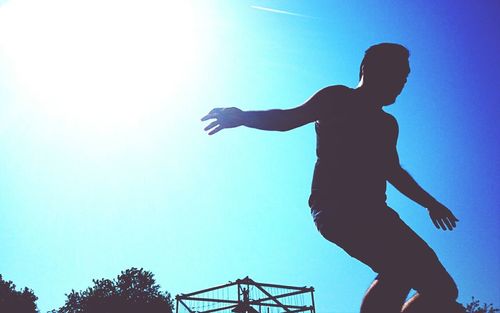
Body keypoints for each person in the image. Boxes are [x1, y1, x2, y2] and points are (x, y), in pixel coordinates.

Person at [201, 43, 464, 313]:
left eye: (406, 78)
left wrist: (430, 203)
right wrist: (243, 117)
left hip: (377, 212)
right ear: (369, 69)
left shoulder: (387, 125)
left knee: (443, 290)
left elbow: (393, 171)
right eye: (398, 74)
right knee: (399, 269)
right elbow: (287, 119)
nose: (402, 83)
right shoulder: (338, 98)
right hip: (337, 209)